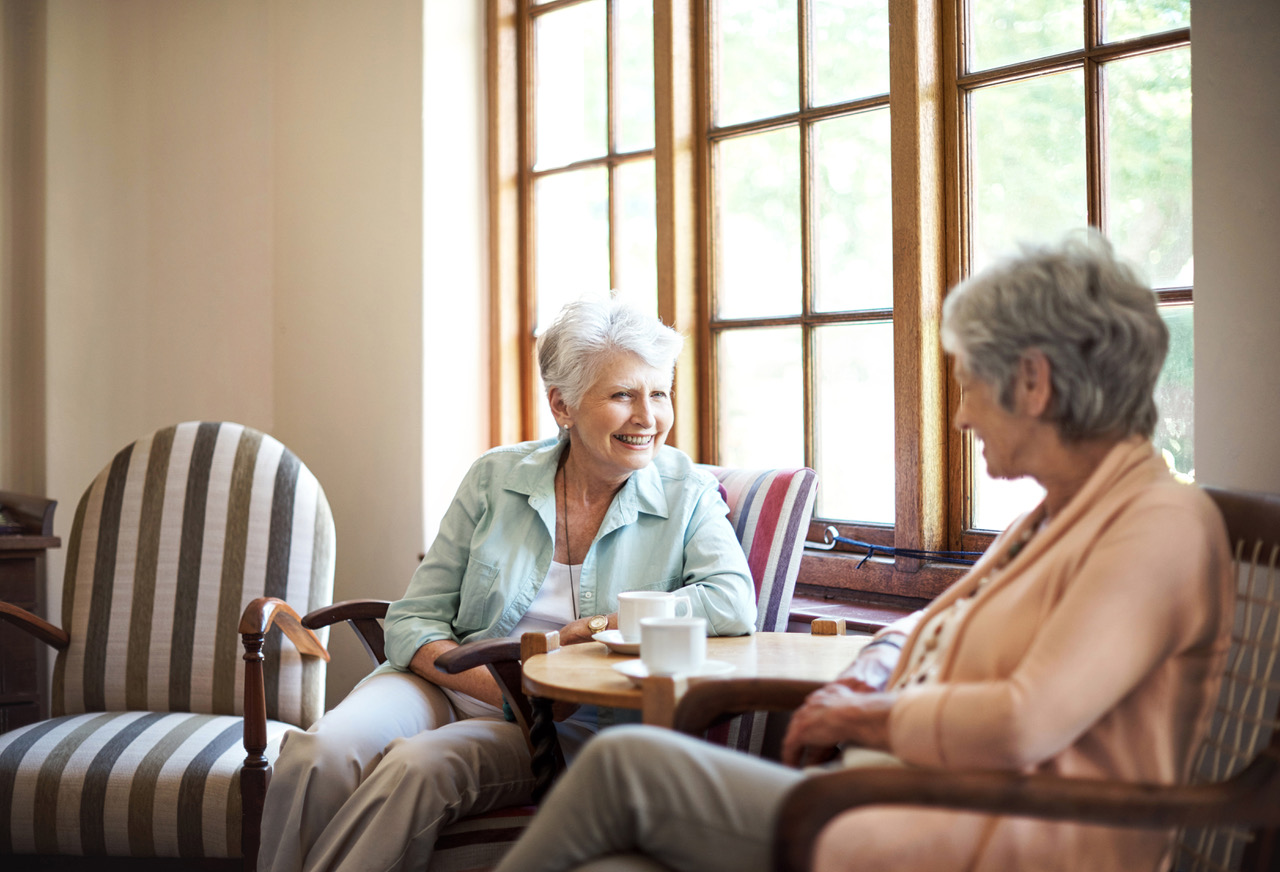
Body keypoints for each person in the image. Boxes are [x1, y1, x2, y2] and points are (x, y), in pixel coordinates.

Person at [490, 231, 1234, 872]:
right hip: (921, 802)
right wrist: (873, 668)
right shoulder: (1057, 518)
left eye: (968, 380)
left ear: (1034, 382)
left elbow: (1022, 723)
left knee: (625, 768)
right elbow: (936, 624)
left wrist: (863, 722)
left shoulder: (1154, 525)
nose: (962, 414)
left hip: (995, 840)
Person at [257, 297, 758, 872]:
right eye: (623, 395)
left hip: (557, 718)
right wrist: (489, 683)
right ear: (562, 404)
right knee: (316, 754)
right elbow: (415, 614)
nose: (648, 417)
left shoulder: (685, 492)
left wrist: (596, 629)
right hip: (445, 682)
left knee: (416, 770)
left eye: (660, 393)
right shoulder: (496, 476)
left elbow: (730, 602)